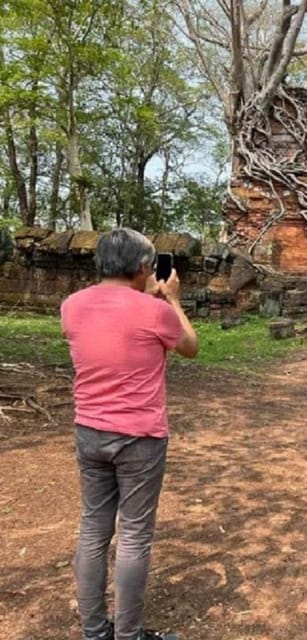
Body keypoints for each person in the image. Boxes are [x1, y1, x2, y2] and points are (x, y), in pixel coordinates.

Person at [61, 229, 198, 640]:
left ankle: (94, 631)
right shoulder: (154, 311)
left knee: (93, 529)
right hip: (140, 435)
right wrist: (171, 299)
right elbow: (190, 346)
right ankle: (129, 634)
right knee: (135, 534)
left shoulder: (71, 306)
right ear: (143, 268)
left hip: (89, 430)